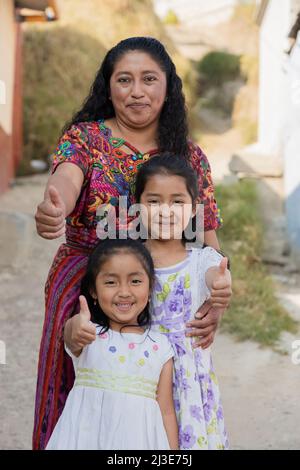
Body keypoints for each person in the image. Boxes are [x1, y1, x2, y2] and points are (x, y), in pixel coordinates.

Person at [33, 36, 231, 450]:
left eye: (148, 79)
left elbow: (208, 238)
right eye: (124, 79)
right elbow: (66, 178)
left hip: (161, 290)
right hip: (88, 283)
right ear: (109, 87)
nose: (136, 91)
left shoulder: (189, 157)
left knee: (160, 402)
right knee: (79, 391)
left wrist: (215, 302)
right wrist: (56, 203)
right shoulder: (86, 138)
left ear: (167, 87)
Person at [134, 154, 230, 449]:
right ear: (137, 206)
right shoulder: (129, 259)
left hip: (188, 386)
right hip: (141, 377)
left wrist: (222, 286)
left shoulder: (201, 259)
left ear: (193, 210)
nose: (166, 211)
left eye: (177, 201)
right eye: (154, 201)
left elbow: (216, 276)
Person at [46, 238, 178, 450]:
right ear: (93, 290)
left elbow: (166, 411)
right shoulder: (89, 333)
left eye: (135, 281)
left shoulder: (160, 347)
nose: (124, 292)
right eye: (111, 282)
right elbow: (71, 335)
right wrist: (77, 325)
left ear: (150, 285)